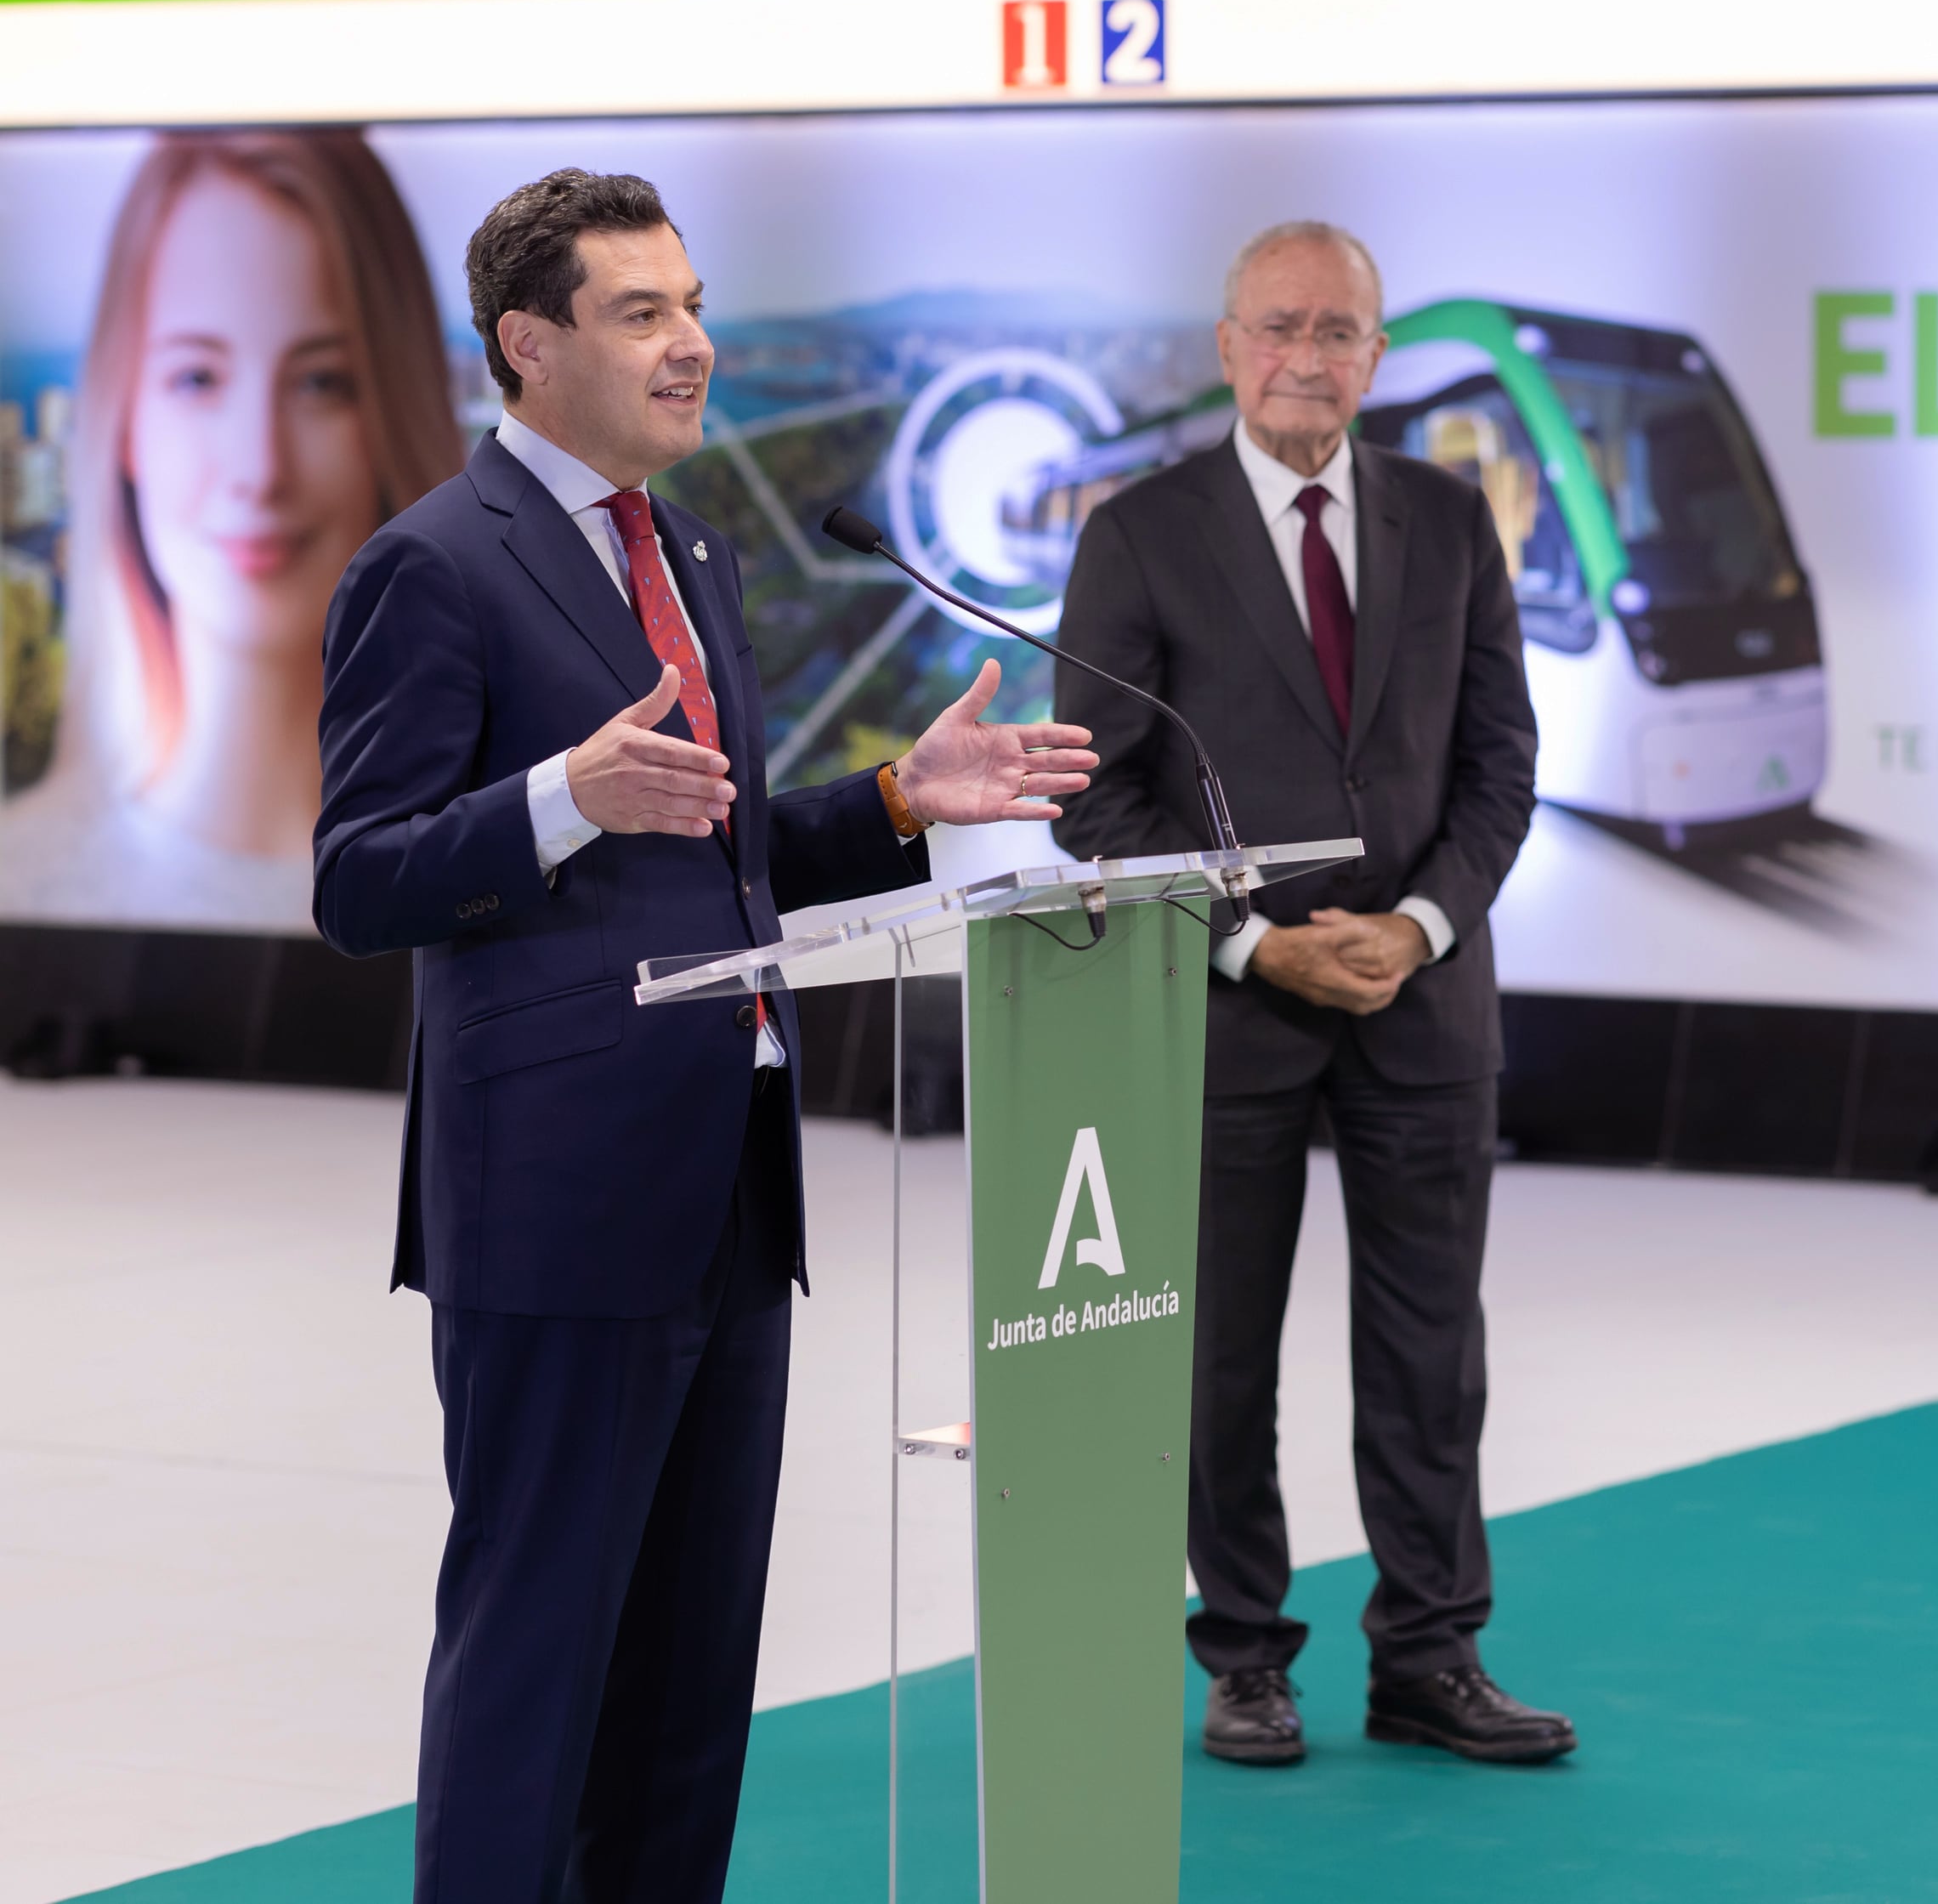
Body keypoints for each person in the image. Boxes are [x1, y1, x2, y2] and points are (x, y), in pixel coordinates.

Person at [311, 169, 1100, 1904]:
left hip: (731, 1186)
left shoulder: (692, 551)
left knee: (686, 1679)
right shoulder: (431, 566)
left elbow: (719, 852)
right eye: (639, 312)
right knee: (538, 1656)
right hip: (554, 1201)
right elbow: (359, 881)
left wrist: (900, 796)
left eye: (691, 303)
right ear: (528, 346)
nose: (694, 345)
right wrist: (552, 798)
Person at [1054, 222, 1564, 1766]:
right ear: (1226, 347)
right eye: (1278, 326)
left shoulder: (1449, 519)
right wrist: (1251, 941)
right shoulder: (1140, 534)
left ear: (1375, 355)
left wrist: (1415, 925)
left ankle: (1428, 1653)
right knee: (1220, 1354)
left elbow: (1499, 765)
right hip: (1226, 1006)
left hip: (1418, 999)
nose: (1306, 355)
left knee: (1430, 1354)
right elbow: (1097, 795)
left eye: (1338, 330)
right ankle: (1243, 1657)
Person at [0, 128, 459, 929]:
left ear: (395, 407)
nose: (259, 466)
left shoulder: (519, 887)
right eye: (198, 378)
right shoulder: (26, 882)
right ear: (126, 423)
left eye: (322, 381)